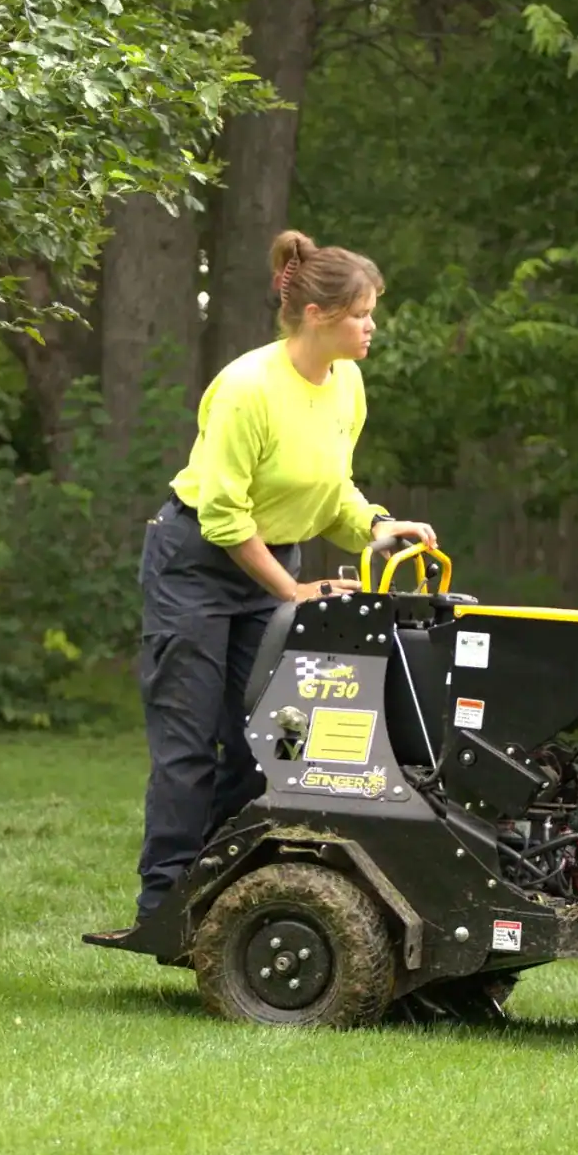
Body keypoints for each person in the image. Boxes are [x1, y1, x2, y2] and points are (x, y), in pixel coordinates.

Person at [133, 229, 437, 919]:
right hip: (197, 566)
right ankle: (163, 902)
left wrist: (377, 526)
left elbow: (331, 492)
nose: (372, 326)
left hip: (270, 565)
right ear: (317, 314)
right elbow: (222, 515)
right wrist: (293, 591)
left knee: (262, 738)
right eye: (362, 313)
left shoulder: (347, 385)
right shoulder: (246, 388)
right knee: (189, 742)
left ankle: (222, 891)